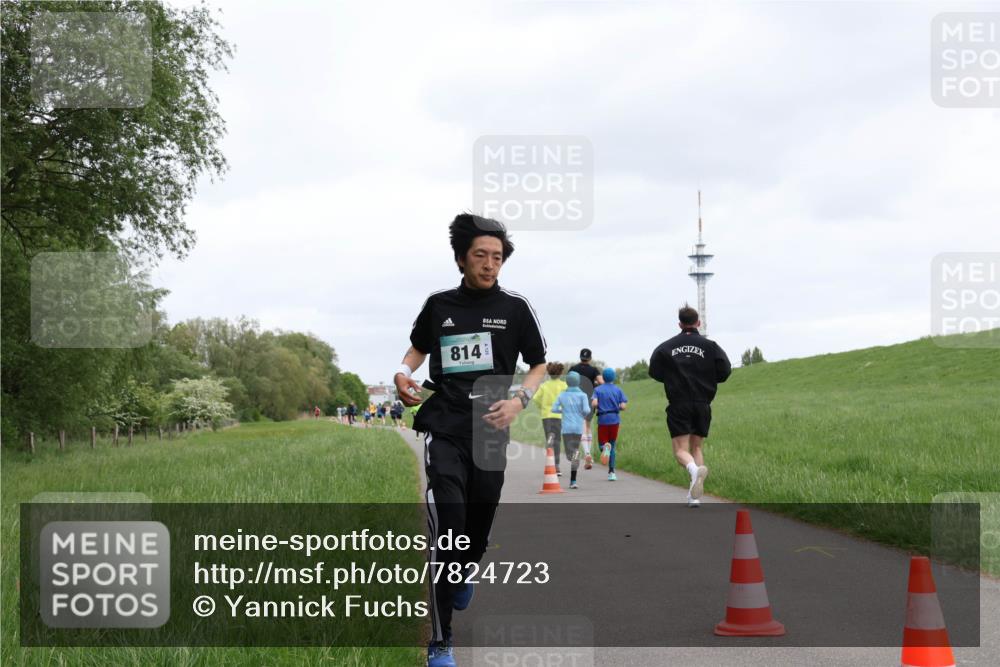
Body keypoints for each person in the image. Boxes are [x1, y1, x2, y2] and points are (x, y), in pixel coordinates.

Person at [393, 213, 547, 667]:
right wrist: (403, 373)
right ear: (461, 258)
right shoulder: (439, 305)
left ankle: (463, 573)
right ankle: (440, 644)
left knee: (476, 531)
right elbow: (417, 349)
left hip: (491, 424)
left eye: (497, 257)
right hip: (445, 422)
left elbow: (538, 364)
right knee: (450, 529)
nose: (489, 264)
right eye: (480, 255)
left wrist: (520, 399)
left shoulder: (516, 308)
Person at [648, 305, 732, 508]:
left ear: (679, 324)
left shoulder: (666, 347)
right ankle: (694, 496)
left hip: (679, 403)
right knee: (696, 447)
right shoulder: (711, 346)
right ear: (698, 323)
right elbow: (725, 371)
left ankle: (694, 471)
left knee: (680, 451)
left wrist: (671, 378)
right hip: (703, 403)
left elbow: (654, 371)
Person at [550, 370, 591, 489]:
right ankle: (573, 480)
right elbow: (587, 410)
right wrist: (580, 414)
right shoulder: (583, 395)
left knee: (569, 455)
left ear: (567, 382)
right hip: (578, 428)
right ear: (578, 382)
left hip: (566, 428)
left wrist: (562, 411)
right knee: (575, 452)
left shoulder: (562, 395)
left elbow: (553, 409)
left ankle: (573, 476)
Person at [591, 367, 627, 481]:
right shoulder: (618, 390)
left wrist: (598, 404)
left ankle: (604, 448)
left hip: (603, 419)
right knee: (612, 445)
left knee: (603, 444)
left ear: (603, 377)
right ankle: (611, 473)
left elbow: (594, 404)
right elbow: (623, 406)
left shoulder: (598, 390)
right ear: (614, 378)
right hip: (615, 420)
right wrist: (617, 406)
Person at [531, 362, 567, 475]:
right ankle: (556, 466)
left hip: (546, 416)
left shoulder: (544, 385)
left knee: (550, 439)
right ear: (560, 373)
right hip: (558, 416)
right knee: (557, 441)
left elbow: (536, 399)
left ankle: (550, 463)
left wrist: (542, 407)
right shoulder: (564, 386)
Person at [569, 348, 602, 469]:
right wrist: (596, 384)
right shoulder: (594, 370)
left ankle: (587, 453)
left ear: (580, 357)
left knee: (581, 426)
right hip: (589, 400)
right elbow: (601, 382)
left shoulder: (573, 369)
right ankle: (589, 454)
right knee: (587, 426)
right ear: (590, 358)